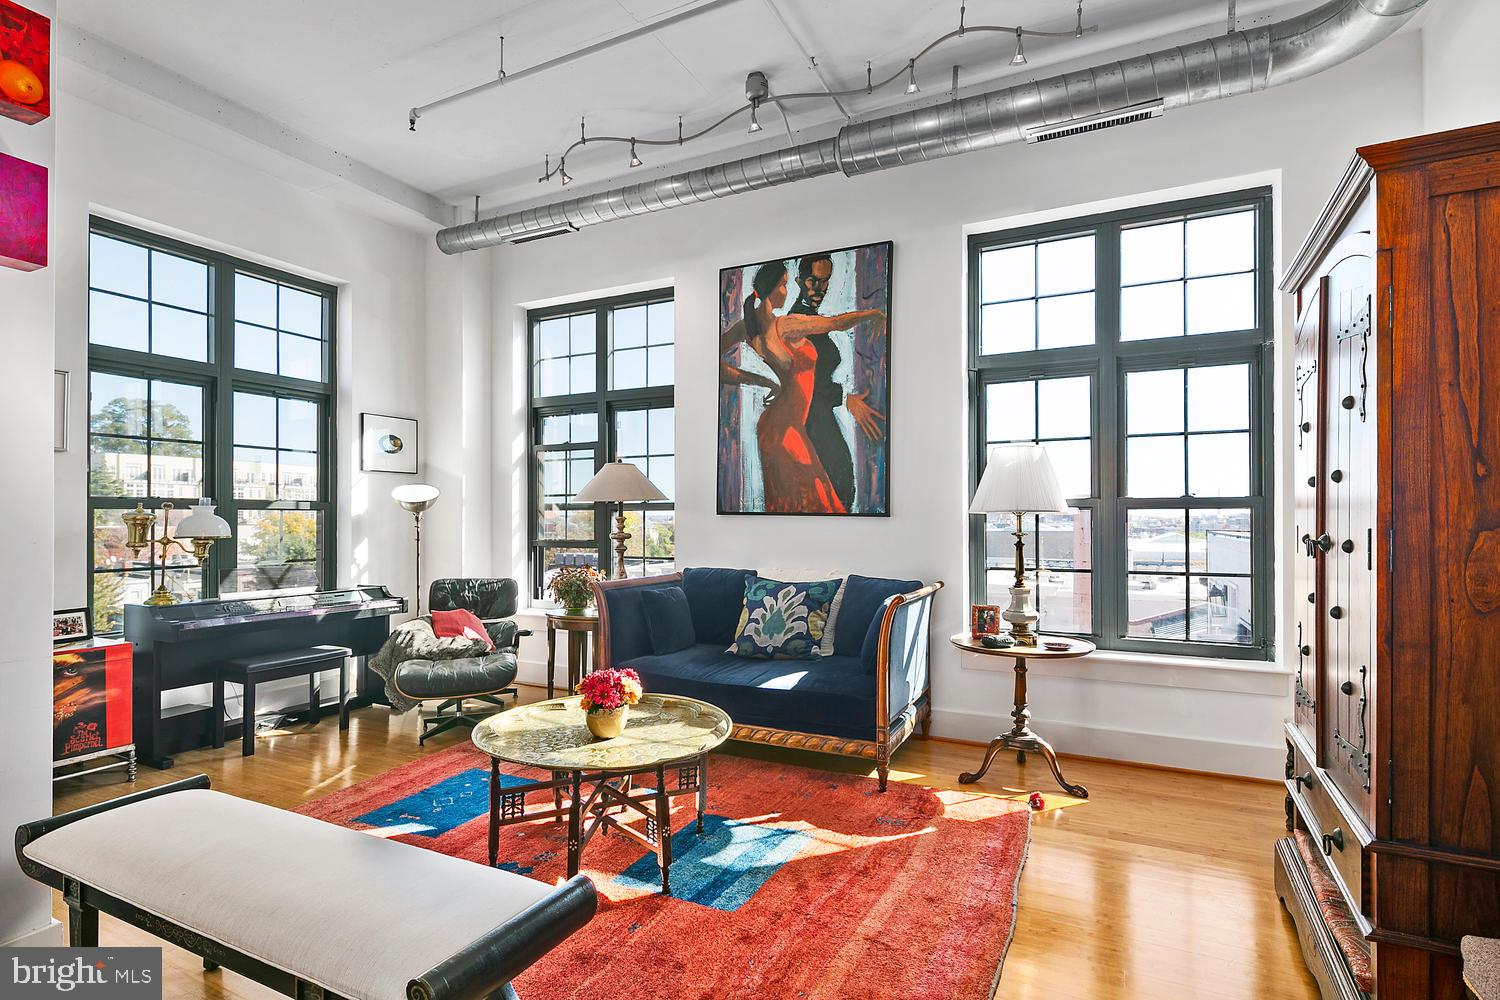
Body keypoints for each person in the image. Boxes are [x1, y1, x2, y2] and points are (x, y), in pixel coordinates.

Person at [720, 261, 884, 513]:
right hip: (788, 429)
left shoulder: (748, 328)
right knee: (817, 501)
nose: (787, 291)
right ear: (774, 289)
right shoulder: (785, 325)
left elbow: (714, 360)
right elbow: (836, 323)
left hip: (776, 426)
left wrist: (764, 381)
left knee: (795, 504)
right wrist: (872, 314)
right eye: (784, 285)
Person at [788, 253, 885, 511]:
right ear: (799, 281)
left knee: (839, 488)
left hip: (819, 418)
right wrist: (845, 398)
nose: (820, 288)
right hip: (809, 421)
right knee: (834, 489)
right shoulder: (796, 321)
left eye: (825, 280)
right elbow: (804, 383)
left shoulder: (810, 320)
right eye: (813, 281)